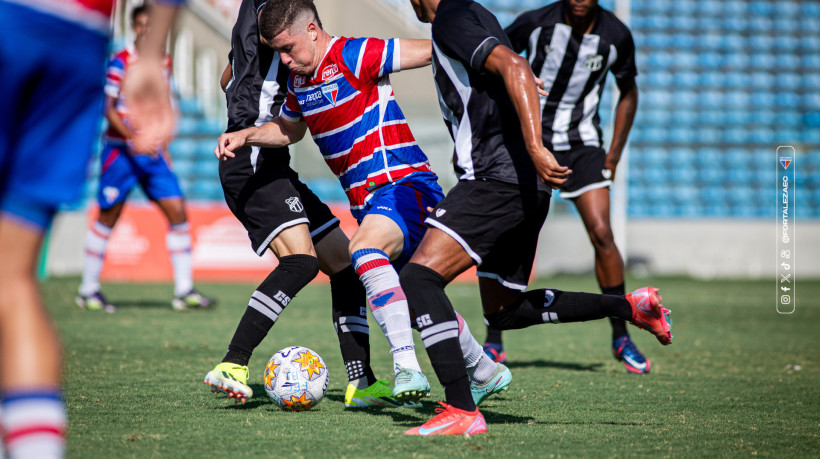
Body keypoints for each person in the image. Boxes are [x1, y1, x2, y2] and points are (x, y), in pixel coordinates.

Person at [216, 0, 510, 406]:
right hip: (370, 202)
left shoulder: (355, 53)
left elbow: (432, 48)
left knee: (363, 251)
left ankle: (405, 366)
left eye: (288, 48)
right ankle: (484, 370)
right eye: (277, 52)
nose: (283, 59)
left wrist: (504, 63)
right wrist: (246, 136)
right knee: (414, 294)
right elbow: (287, 131)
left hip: (405, 184)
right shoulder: (299, 82)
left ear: (313, 32)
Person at [398, 0, 672, 435]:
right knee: (503, 312)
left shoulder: (452, 17)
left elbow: (516, 67)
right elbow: (513, 70)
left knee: (417, 279)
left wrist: (535, 145)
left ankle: (461, 409)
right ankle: (630, 308)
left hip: (495, 178)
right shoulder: (478, 13)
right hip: (524, 186)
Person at [0, 0, 184, 456]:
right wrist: (152, 55)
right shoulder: (133, 58)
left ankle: (180, 288)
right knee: (11, 279)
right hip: (79, 40)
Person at [482, 0, 649, 374]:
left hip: (583, 145)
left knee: (602, 231)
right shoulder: (536, 22)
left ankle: (621, 334)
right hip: (531, 139)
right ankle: (493, 339)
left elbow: (629, 92)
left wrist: (615, 154)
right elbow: (497, 63)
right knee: (504, 230)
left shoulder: (616, 35)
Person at [76, 4, 216, 312]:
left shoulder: (162, 62)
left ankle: (184, 290)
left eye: (150, 26)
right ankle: (87, 289)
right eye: (140, 25)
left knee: (178, 211)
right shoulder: (120, 62)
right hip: (121, 153)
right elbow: (109, 108)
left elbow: (160, 103)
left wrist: (162, 146)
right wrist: (132, 137)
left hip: (152, 154)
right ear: (134, 27)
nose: (146, 31)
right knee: (109, 215)